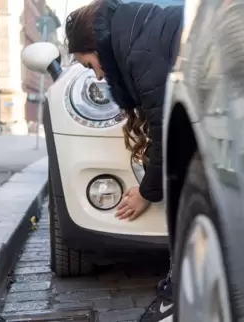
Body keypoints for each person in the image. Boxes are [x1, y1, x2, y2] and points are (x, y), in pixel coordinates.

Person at [64, 0, 182, 321]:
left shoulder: (141, 54)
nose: (98, 77)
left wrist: (146, 193)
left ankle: (180, 296)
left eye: (90, 66)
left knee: (184, 185)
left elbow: (167, 134)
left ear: (98, 46)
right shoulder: (142, 33)